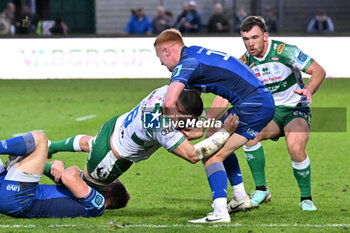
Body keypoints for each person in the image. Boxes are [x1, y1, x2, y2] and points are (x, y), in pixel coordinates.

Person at [154, 29, 275, 223]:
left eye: (160, 57)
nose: (161, 63)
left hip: (253, 104)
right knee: (215, 138)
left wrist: (174, 131)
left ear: (167, 51)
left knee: (210, 154)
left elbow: (169, 103)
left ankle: (220, 212)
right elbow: (198, 101)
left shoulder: (186, 64)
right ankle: (240, 197)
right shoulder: (196, 54)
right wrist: (202, 126)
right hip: (257, 101)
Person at [48, 86, 239, 191]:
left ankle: (51, 146)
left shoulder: (169, 91)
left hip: (113, 127)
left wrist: (199, 126)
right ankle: (44, 165)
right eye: (187, 120)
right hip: (111, 159)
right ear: (179, 111)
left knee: (91, 142)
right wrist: (225, 132)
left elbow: (195, 128)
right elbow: (192, 156)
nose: (189, 124)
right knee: (82, 189)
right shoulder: (158, 124)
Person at [239, 16, 326, 210]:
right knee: (249, 136)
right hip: (270, 113)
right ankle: (261, 190)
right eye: (245, 39)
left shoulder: (286, 51)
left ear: (265, 36)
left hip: (295, 109)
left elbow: (318, 71)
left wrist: (309, 89)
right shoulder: (244, 62)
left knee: (295, 147)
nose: (250, 44)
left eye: (254, 37)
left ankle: (306, 198)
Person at [0, 132, 130, 218]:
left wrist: (67, 167)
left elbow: (67, 176)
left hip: (19, 200)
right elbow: (54, 172)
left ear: (109, 188)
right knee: (35, 147)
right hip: (8, 189)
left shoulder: (98, 205)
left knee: (40, 140)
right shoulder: (78, 191)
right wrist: (25, 159)